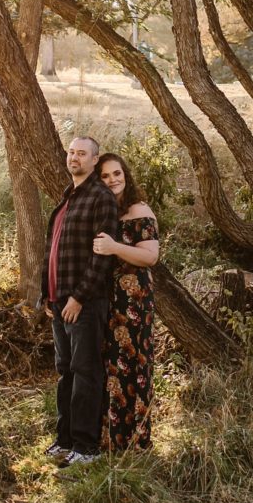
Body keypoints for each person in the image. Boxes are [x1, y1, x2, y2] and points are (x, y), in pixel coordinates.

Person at [41, 136, 119, 466]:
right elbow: (54, 250)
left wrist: (78, 298)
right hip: (59, 301)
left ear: (94, 159)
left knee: (85, 372)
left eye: (82, 153)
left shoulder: (100, 198)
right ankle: (65, 440)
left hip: (84, 303)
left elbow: (102, 259)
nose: (74, 157)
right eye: (71, 152)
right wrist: (46, 294)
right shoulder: (68, 198)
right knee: (65, 372)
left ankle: (86, 448)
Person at [93, 153, 159, 450]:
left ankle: (135, 440)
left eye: (117, 173)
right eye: (105, 176)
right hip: (109, 299)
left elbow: (150, 256)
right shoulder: (107, 210)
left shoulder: (139, 210)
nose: (112, 180)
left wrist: (114, 247)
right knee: (111, 366)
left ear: (126, 175)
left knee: (134, 363)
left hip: (135, 299)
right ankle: (109, 438)